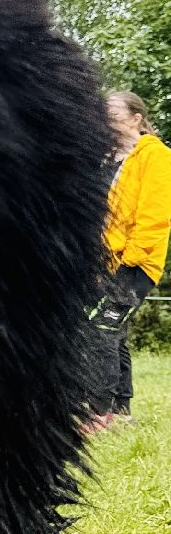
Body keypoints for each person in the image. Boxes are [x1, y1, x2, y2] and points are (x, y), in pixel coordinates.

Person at [89, 90, 171, 425]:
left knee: (100, 328)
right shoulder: (109, 159)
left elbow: (155, 216)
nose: (106, 120)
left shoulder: (156, 156)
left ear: (136, 119)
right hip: (106, 261)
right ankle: (122, 410)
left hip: (135, 262)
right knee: (115, 330)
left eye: (113, 113)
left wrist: (129, 261)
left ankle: (98, 413)